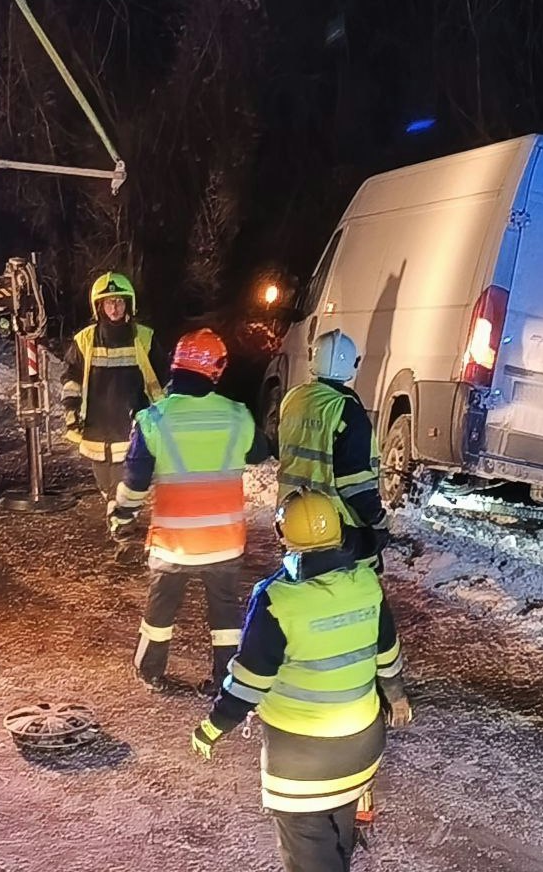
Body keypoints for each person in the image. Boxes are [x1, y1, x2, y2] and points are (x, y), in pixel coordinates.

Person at [192, 491, 410, 872]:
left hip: (303, 766)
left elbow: (248, 683)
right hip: (362, 749)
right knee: (338, 844)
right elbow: (387, 657)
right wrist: (398, 698)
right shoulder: (366, 584)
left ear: (282, 534)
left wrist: (212, 728)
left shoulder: (277, 601)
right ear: (340, 531)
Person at [112, 328, 265, 688]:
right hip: (224, 542)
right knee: (226, 614)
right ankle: (225, 679)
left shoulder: (154, 419)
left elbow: (135, 481)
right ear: (214, 370)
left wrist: (122, 515)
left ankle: (151, 672)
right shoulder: (237, 415)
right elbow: (259, 453)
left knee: (160, 612)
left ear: (176, 366)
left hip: (173, 543)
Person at [276, 330, 385, 562]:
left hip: (292, 518)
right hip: (334, 527)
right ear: (353, 364)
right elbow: (354, 481)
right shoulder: (347, 410)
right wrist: (377, 520)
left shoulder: (292, 399)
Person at [59, 271, 164, 508]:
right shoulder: (84, 340)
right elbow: (71, 377)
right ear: (99, 306)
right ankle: (117, 513)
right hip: (96, 427)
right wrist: (71, 410)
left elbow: (163, 376)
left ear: (128, 304)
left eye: (118, 301)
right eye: (109, 302)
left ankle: (122, 522)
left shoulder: (145, 338)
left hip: (133, 424)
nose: (114, 308)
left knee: (125, 483)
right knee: (106, 486)